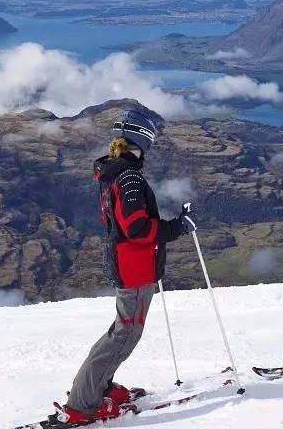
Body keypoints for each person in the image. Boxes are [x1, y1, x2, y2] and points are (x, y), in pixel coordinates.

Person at [58, 109, 194, 424]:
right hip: (134, 267)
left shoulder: (113, 172)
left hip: (128, 263)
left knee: (122, 331)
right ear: (142, 140)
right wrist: (178, 227)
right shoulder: (129, 176)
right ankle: (84, 404)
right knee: (124, 334)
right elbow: (137, 229)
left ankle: (98, 387)